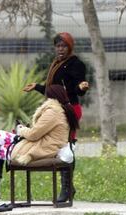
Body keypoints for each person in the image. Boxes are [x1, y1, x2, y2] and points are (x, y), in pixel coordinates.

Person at [0, 84, 79, 202]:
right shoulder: (62, 110)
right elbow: (40, 132)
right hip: (46, 145)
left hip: (42, 148)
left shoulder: (53, 112)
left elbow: (33, 135)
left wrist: (21, 129)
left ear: (51, 96)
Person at [22, 32, 89, 202]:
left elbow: (77, 87)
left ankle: (66, 189)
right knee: (59, 145)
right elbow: (53, 90)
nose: (60, 49)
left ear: (70, 47)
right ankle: (69, 188)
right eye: (58, 46)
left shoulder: (76, 64)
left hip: (69, 110)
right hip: (56, 110)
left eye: (64, 46)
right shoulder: (57, 63)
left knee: (66, 147)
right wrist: (37, 87)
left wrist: (82, 88)